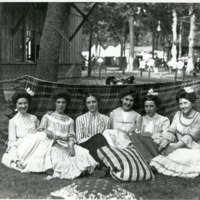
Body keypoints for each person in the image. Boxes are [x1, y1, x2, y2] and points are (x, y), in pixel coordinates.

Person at [38, 89, 98, 179]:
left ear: (67, 104)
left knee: (82, 152)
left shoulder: (70, 120)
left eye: (63, 102)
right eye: (58, 102)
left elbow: (71, 136)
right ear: (54, 103)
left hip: (66, 143)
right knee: (58, 155)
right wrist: (46, 131)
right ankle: (78, 171)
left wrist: (71, 147)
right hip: (51, 144)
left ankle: (87, 169)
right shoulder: (47, 117)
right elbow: (40, 131)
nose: (61, 105)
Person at [150, 87, 200, 178]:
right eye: (180, 104)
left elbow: (190, 137)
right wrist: (165, 140)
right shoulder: (178, 114)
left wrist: (173, 147)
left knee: (180, 157)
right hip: (177, 144)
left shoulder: (198, 117)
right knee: (160, 145)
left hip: (193, 147)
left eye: (185, 103)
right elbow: (171, 130)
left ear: (192, 103)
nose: (183, 106)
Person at [1, 88, 52, 173]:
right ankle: (26, 163)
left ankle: (44, 165)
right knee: (43, 135)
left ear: (28, 103)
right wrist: (16, 159)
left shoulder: (33, 118)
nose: (23, 106)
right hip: (22, 150)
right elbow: (12, 143)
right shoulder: (13, 121)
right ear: (16, 105)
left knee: (46, 136)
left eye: (25, 103)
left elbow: (39, 132)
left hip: (35, 147)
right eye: (20, 103)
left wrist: (49, 115)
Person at [76, 91, 110, 177]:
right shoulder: (80, 119)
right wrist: (94, 138)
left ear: (98, 102)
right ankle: (105, 167)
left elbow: (107, 137)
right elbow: (79, 139)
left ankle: (101, 169)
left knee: (100, 138)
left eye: (93, 102)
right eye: (88, 102)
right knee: (98, 137)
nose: (91, 104)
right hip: (85, 146)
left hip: (101, 147)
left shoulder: (106, 119)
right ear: (86, 104)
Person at [130, 88, 170, 163]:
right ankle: (150, 161)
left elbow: (165, 139)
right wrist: (138, 126)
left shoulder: (164, 120)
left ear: (156, 107)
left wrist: (152, 135)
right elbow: (137, 136)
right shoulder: (141, 118)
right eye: (146, 106)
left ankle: (149, 160)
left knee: (135, 137)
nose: (148, 109)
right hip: (142, 146)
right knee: (133, 136)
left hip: (156, 146)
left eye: (151, 106)